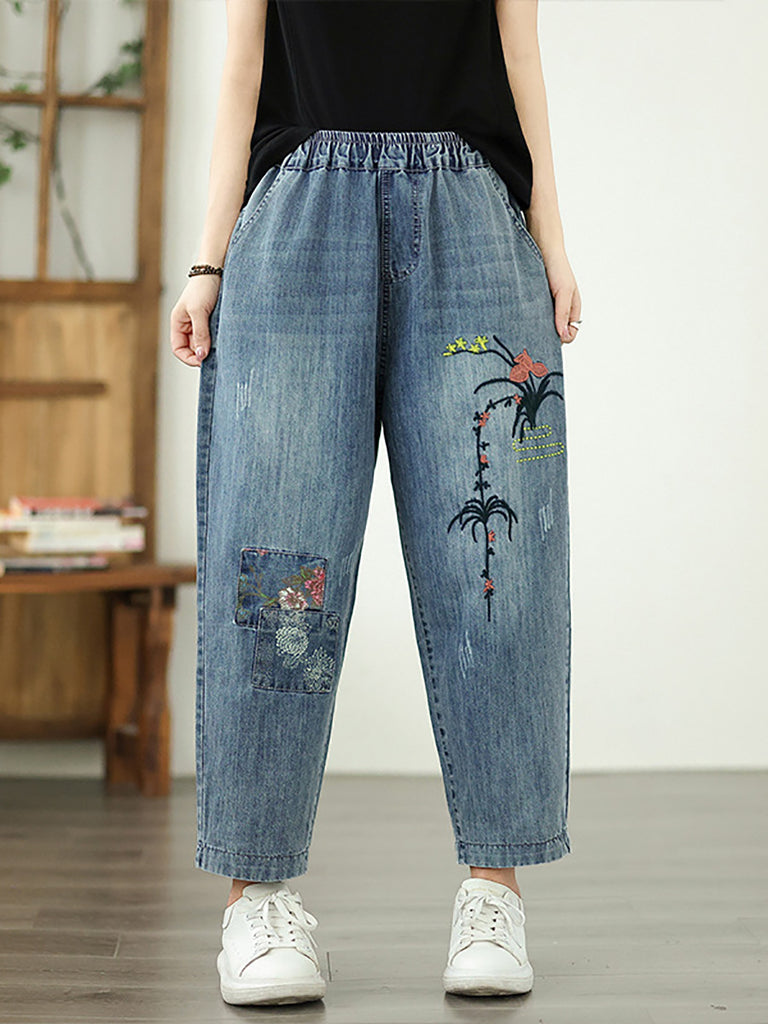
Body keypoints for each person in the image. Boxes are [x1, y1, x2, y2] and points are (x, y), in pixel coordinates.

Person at [170, 0, 581, 1007]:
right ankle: (258, 899)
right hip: (297, 226)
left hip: (474, 225)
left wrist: (551, 238)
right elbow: (242, 68)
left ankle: (494, 891)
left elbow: (520, 53)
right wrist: (208, 261)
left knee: (495, 568)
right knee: (283, 575)